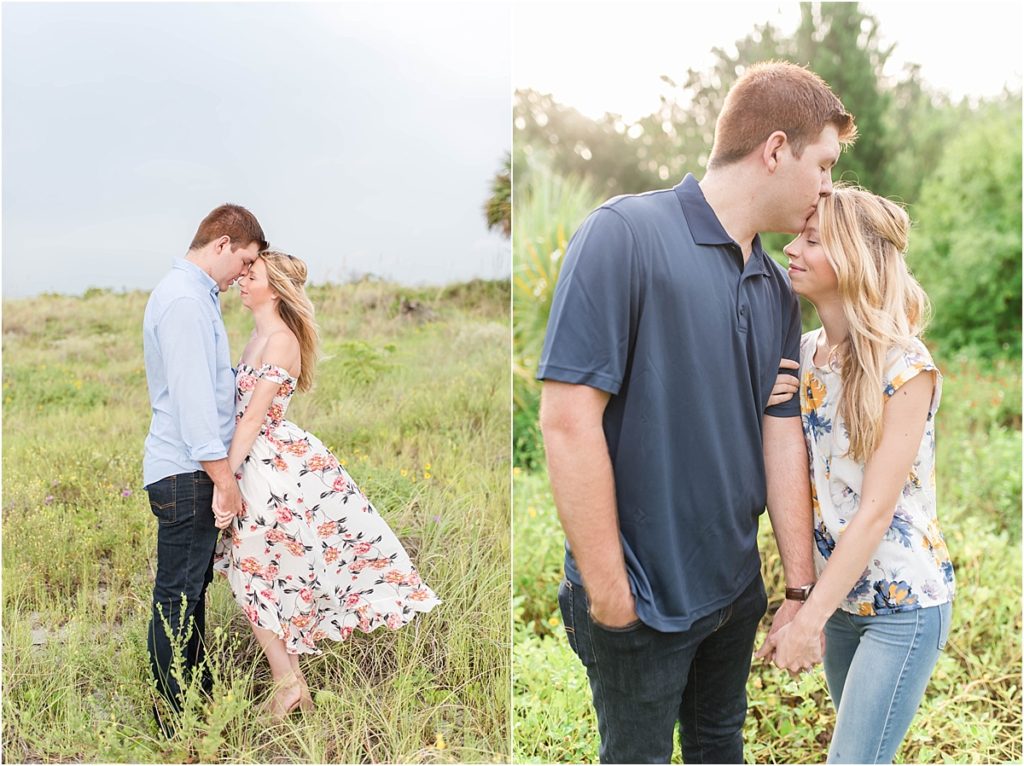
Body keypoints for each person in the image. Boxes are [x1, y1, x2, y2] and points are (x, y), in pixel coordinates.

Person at [537, 61, 857, 764]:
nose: (829, 187)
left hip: (733, 592)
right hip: (642, 600)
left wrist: (796, 588)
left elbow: (780, 438)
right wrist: (612, 594)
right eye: (825, 165)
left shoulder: (776, 286)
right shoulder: (623, 235)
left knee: (720, 745)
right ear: (776, 149)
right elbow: (565, 422)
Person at [756, 186, 955, 764]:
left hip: (904, 602)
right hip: (842, 602)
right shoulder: (804, 353)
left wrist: (805, 620)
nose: (791, 248)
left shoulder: (906, 366)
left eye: (812, 240)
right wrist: (763, 407)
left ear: (852, 260)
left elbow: (874, 511)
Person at [212, 251, 440, 719]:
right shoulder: (258, 334)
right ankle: (292, 685)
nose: (241, 280)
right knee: (257, 573)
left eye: (250, 275)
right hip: (258, 459)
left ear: (273, 287)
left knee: (255, 572)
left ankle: (287, 684)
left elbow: (254, 416)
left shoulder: (279, 339)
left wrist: (226, 479)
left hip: (269, 467)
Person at [142, 204, 267, 727]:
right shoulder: (185, 302)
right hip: (189, 472)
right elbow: (196, 406)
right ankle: (176, 717)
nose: (243, 274)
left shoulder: (193, 297)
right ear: (221, 244)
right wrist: (225, 482)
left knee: (189, 594)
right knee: (177, 596)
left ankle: (195, 699)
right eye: (244, 261)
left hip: (188, 469)